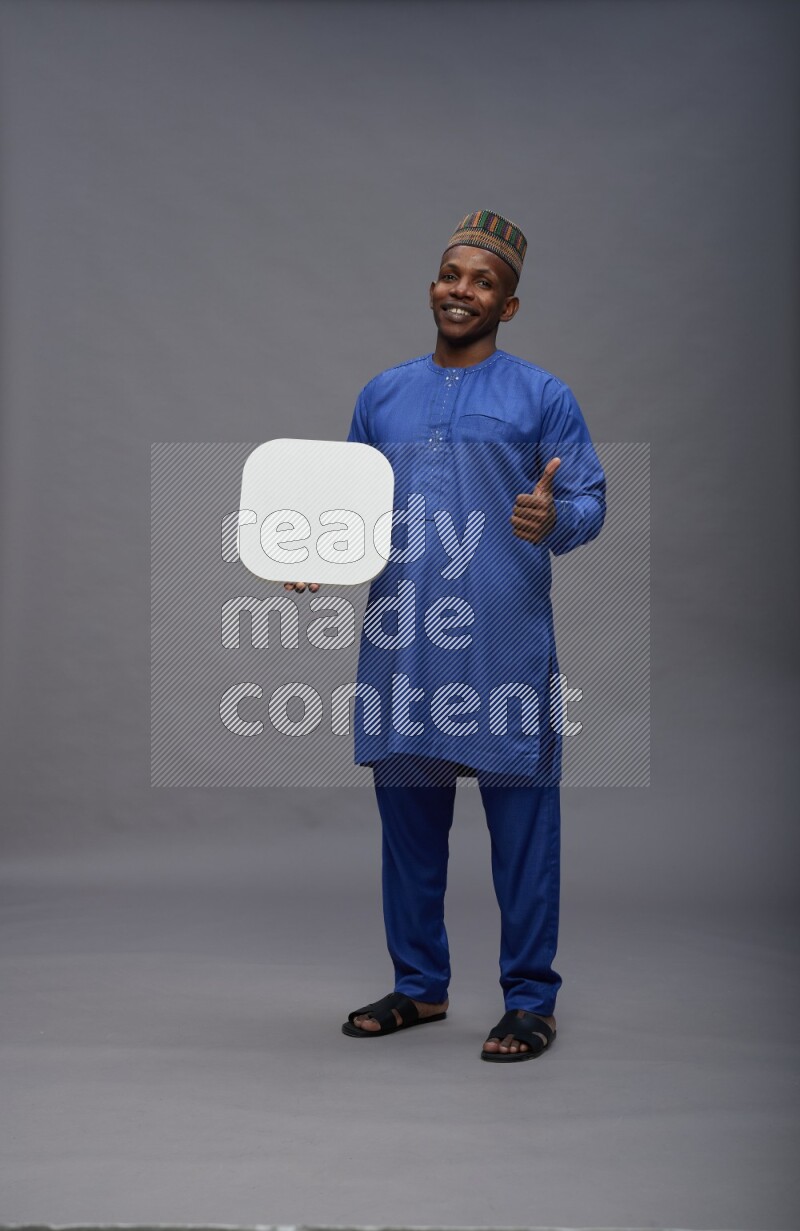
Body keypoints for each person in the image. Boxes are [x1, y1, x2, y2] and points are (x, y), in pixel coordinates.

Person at [285, 211, 606, 1062]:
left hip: (503, 649)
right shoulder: (382, 395)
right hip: (404, 646)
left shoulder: (542, 396)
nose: (462, 290)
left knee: (523, 836)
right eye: (451, 274)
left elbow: (590, 501)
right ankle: (420, 985)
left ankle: (529, 1000)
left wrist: (555, 518)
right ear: (434, 285)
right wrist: (309, 551)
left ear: (508, 305)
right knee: (409, 837)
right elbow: (345, 508)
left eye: (483, 282)